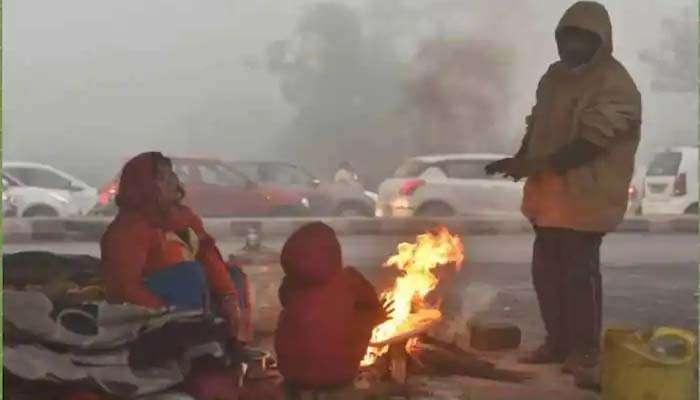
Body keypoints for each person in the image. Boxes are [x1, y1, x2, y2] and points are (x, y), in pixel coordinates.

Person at [485, 1, 641, 377]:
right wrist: (519, 159)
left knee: (578, 274)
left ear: (599, 42)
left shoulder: (615, 84)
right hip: (549, 196)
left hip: (588, 196)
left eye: (580, 39)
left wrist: (534, 165)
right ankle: (557, 344)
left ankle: (585, 351)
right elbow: (536, 124)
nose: (569, 46)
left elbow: (591, 143)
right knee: (546, 273)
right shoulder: (554, 77)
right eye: (564, 37)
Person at [100, 151, 252, 343]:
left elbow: (208, 255)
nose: (173, 181)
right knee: (188, 274)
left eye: (171, 174)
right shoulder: (127, 230)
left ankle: (234, 343)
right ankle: (194, 341)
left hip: (195, 298)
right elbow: (124, 287)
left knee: (233, 276)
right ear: (144, 187)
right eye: (162, 178)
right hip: (154, 312)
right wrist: (167, 312)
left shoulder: (183, 217)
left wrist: (227, 296)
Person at [274, 222, 387, 392]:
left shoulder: (291, 283)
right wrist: (362, 324)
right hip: (339, 376)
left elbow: (286, 301)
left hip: (292, 374)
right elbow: (376, 312)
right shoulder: (351, 280)